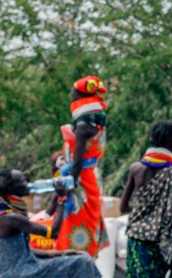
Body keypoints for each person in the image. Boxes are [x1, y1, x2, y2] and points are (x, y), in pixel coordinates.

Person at [0, 168, 101, 277]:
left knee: (82, 257)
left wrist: (60, 253)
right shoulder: (12, 218)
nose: (27, 183)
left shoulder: (7, 213)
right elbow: (54, 233)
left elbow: (24, 252)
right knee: (83, 262)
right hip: (23, 272)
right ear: (11, 188)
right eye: (22, 181)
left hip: (22, 269)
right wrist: (62, 199)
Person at [121, 121, 172, 277]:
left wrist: (143, 212)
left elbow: (123, 208)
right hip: (160, 244)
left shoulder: (136, 169)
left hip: (136, 240)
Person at [55, 75, 109, 256]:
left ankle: (76, 262)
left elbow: (77, 162)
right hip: (92, 178)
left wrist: (69, 186)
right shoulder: (96, 126)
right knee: (88, 223)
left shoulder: (82, 127)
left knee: (76, 225)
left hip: (81, 183)